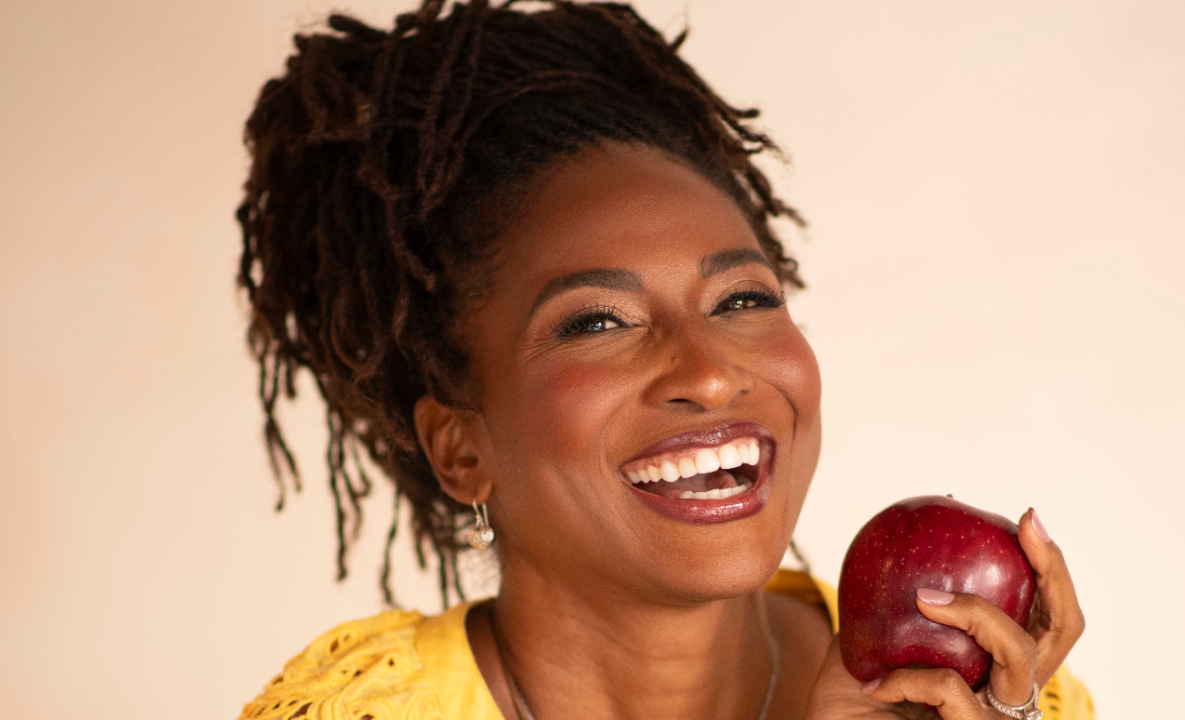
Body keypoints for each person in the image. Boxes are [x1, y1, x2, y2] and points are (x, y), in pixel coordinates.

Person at [234, 2, 1091, 719]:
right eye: (598, 321)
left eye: (744, 301)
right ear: (463, 449)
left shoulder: (984, 700)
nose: (712, 373)